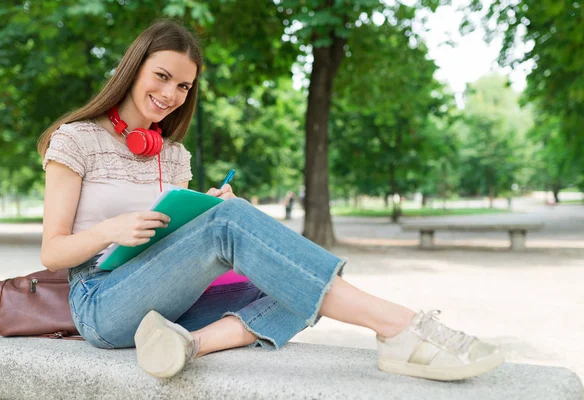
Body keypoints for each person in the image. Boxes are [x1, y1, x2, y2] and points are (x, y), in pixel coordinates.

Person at [38, 19, 503, 381]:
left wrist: (205, 210)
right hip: (99, 299)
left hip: (164, 303)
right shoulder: (75, 140)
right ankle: (401, 326)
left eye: (183, 87)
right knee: (241, 232)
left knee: (290, 284)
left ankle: (187, 345)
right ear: (132, 67)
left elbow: (175, 244)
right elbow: (52, 250)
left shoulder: (175, 155)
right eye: (161, 77)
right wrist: (110, 231)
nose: (170, 95)